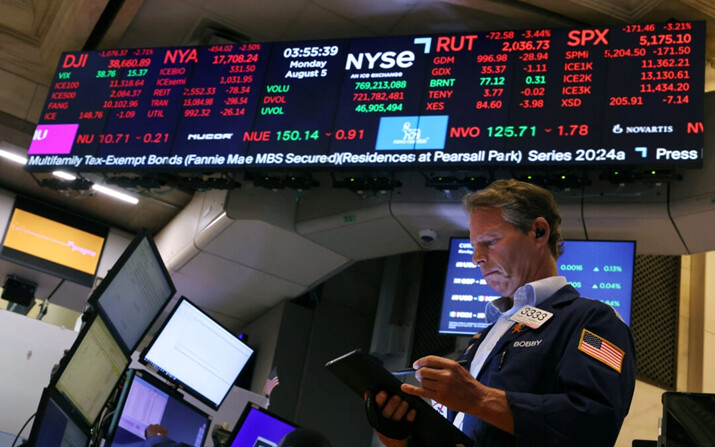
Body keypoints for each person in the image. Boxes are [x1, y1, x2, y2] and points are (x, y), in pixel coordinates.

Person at [369, 179, 637, 446]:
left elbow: (596, 423)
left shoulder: (591, 320)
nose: (476, 257)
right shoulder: (482, 339)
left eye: (490, 241)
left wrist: (480, 399)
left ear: (539, 232)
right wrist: (398, 437)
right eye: (474, 244)